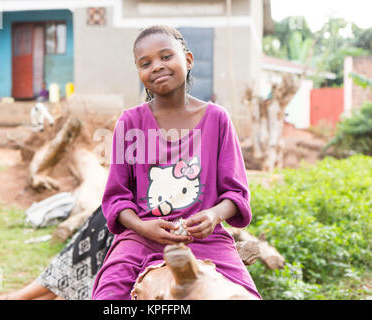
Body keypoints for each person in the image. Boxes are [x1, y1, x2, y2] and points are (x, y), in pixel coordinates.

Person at [91, 25, 261, 300]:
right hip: (140, 241)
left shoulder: (217, 119)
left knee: (242, 295)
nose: (157, 66)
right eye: (145, 63)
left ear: (189, 60)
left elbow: (236, 194)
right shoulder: (130, 122)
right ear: (139, 73)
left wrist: (213, 216)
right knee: (109, 295)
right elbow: (117, 199)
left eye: (166, 57)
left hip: (205, 239)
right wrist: (143, 227)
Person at [0, 206, 114, 300]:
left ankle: (14, 298)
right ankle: (14, 298)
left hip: (119, 225)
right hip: (111, 215)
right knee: (69, 269)